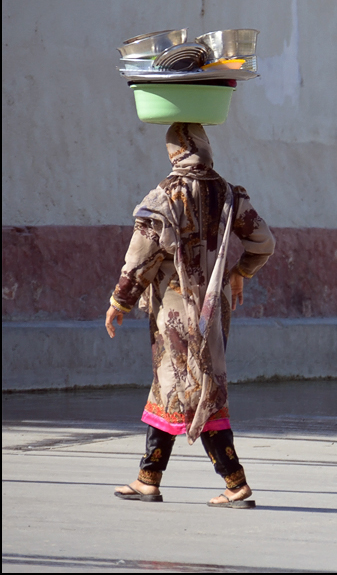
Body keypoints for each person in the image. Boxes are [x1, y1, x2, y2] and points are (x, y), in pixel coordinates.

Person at [105, 122, 275, 508]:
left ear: (174, 152)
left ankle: (236, 483)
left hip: (176, 313)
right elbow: (264, 242)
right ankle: (147, 478)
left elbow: (140, 259)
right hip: (215, 310)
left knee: (197, 391)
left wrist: (119, 302)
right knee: (173, 387)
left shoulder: (165, 196)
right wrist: (238, 272)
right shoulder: (230, 195)